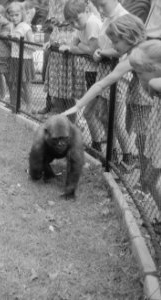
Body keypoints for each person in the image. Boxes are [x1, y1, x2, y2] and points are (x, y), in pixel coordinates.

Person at [62, 14, 161, 204]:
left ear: (129, 36)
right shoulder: (134, 58)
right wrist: (78, 104)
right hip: (156, 120)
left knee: (150, 176)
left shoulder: (149, 56)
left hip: (154, 118)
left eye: (116, 41)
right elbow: (103, 83)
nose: (113, 45)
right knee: (149, 178)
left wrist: (153, 82)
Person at [91, 0, 137, 167]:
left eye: (102, 5)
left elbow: (122, 49)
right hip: (105, 69)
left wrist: (101, 52)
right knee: (102, 115)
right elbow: (104, 43)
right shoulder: (108, 18)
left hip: (118, 73)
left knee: (116, 119)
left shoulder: (123, 17)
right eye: (97, 6)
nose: (100, 9)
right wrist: (99, 52)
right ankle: (113, 152)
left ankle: (128, 156)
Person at [61, 0, 102, 152]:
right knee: (94, 113)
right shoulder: (83, 25)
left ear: (86, 11)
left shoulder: (91, 23)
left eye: (77, 20)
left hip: (99, 73)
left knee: (90, 113)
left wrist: (81, 48)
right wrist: (82, 48)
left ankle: (100, 147)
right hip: (91, 71)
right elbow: (73, 46)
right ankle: (97, 145)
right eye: (71, 23)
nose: (76, 25)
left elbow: (92, 50)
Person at [7, 1, 35, 112]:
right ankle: (20, 104)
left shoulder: (26, 27)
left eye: (16, 15)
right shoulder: (13, 26)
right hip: (15, 58)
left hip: (25, 59)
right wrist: (11, 39)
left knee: (26, 84)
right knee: (16, 84)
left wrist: (19, 42)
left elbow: (33, 46)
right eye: (11, 15)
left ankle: (29, 106)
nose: (14, 18)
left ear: (22, 14)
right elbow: (14, 44)